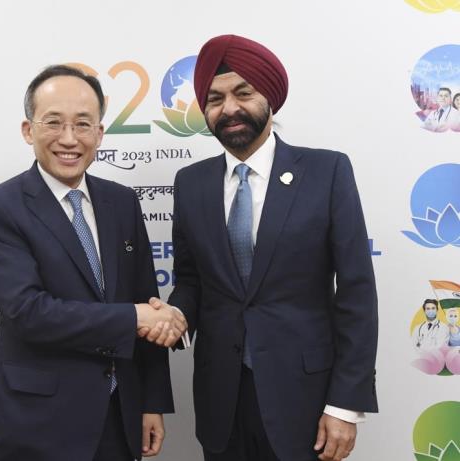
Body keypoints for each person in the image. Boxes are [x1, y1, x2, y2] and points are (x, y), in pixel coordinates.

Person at [151, 34, 378, 461]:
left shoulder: (326, 171)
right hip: (222, 400)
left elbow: (357, 295)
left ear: (269, 98)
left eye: (243, 93)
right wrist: (177, 315)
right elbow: (192, 280)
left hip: (306, 401)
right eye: (214, 99)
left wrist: (345, 405)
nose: (229, 109)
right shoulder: (191, 182)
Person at [0, 65, 187, 461]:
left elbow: (147, 298)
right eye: (53, 122)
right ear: (27, 130)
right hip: (34, 424)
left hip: (118, 418)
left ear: (100, 134)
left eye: (83, 124)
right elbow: (28, 313)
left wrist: (150, 401)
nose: (69, 139)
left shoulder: (122, 202)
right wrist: (133, 318)